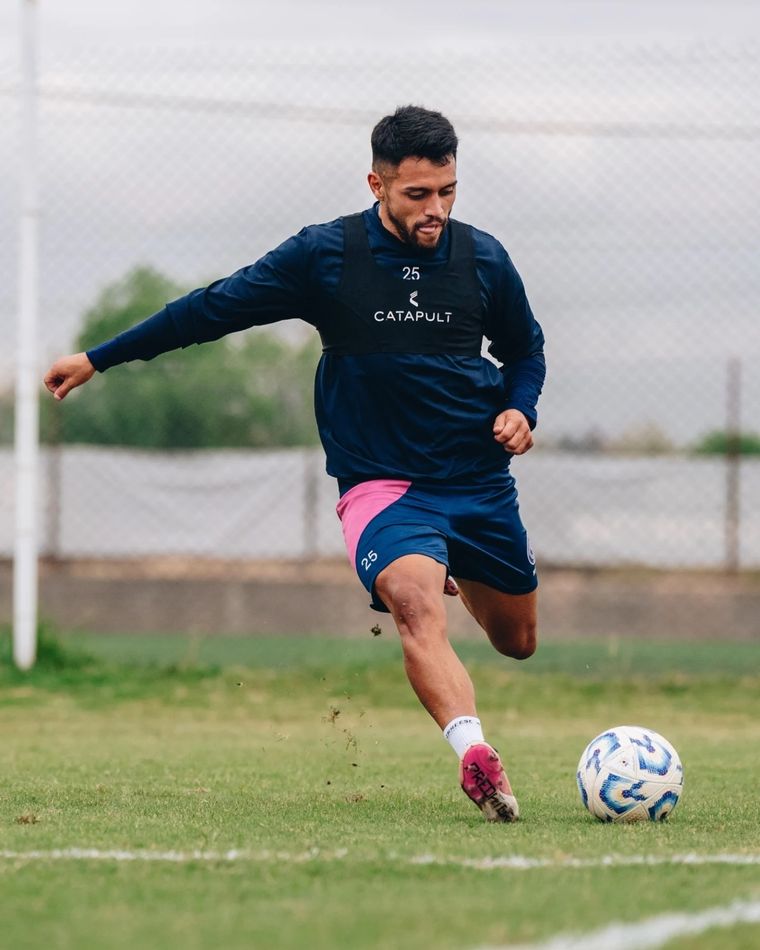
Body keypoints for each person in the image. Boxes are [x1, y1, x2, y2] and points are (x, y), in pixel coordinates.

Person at [44, 105, 546, 823]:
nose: (436, 210)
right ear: (376, 183)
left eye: (448, 192)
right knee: (413, 605)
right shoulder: (326, 255)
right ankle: (475, 756)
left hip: (475, 478)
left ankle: (455, 564)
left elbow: (525, 352)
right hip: (384, 483)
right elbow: (212, 308)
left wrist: (521, 408)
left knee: (517, 641)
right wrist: (99, 357)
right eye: (417, 195)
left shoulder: (484, 260)